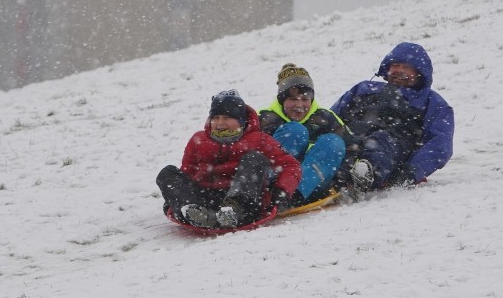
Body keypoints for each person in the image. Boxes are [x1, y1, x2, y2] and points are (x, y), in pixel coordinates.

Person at [156, 89, 302, 229]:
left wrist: (282, 193)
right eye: (215, 118)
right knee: (167, 173)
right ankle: (192, 211)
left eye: (227, 118)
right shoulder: (199, 140)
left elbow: (290, 165)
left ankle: (232, 211)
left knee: (254, 159)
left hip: (244, 199)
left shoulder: (259, 140)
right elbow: (187, 172)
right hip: (204, 198)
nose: (220, 123)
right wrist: (176, 197)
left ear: (241, 121)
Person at [331, 42, 454, 197]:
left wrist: (411, 172)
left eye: (407, 67)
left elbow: (440, 145)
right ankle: (322, 177)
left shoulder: (431, 101)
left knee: (380, 141)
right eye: (395, 65)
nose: (400, 71)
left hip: (392, 148)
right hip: (351, 138)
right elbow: (332, 117)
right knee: (337, 141)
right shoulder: (364, 88)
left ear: (419, 73)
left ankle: (362, 176)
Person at [259, 63, 361, 204]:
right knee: (295, 131)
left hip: (313, 186)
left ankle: (293, 196)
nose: (299, 105)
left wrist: (340, 179)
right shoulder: (265, 119)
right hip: (272, 187)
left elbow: (352, 148)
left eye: (305, 99)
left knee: (334, 142)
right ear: (282, 100)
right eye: (293, 99)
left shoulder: (325, 118)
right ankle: (277, 194)